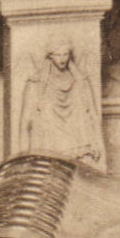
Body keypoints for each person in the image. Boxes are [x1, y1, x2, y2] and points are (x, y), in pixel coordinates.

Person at [17, 37, 103, 166]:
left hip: (79, 146)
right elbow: (25, 122)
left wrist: (98, 143)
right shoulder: (36, 83)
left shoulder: (81, 81)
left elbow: (93, 115)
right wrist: (25, 158)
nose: (62, 59)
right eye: (58, 55)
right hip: (49, 147)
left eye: (65, 54)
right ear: (50, 56)